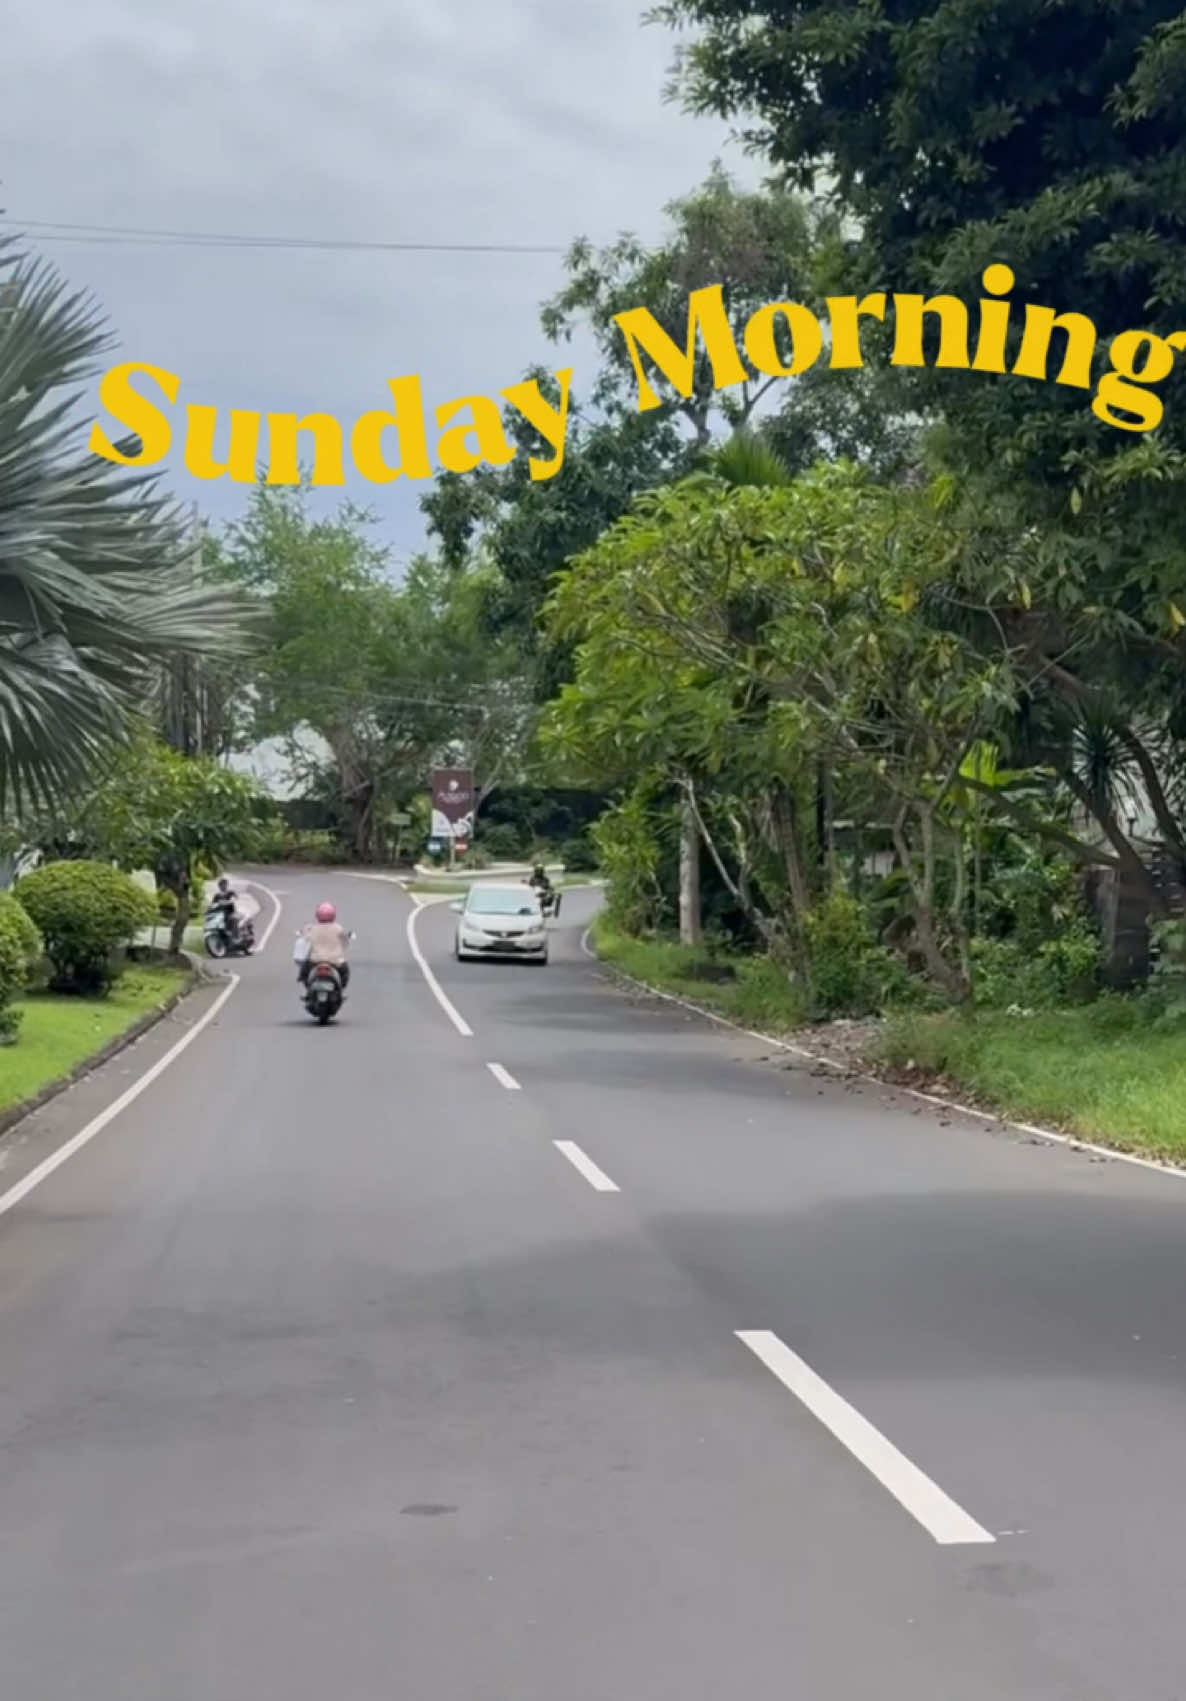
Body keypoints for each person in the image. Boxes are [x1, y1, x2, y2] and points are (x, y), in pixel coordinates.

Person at [297, 901, 352, 992]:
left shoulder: (312, 928)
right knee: (345, 973)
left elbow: (305, 941)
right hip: (335, 961)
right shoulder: (338, 928)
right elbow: (345, 943)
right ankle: (339, 991)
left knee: (304, 972)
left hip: (315, 960)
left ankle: (308, 991)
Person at [209, 876, 239, 941]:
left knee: (234, 919)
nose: (223, 886)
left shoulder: (230, 892)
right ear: (219, 886)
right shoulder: (217, 895)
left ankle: (236, 937)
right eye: (221, 884)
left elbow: (236, 896)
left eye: (224, 884)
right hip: (221, 914)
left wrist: (232, 900)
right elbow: (213, 904)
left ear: (227, 884)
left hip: (231, 912)